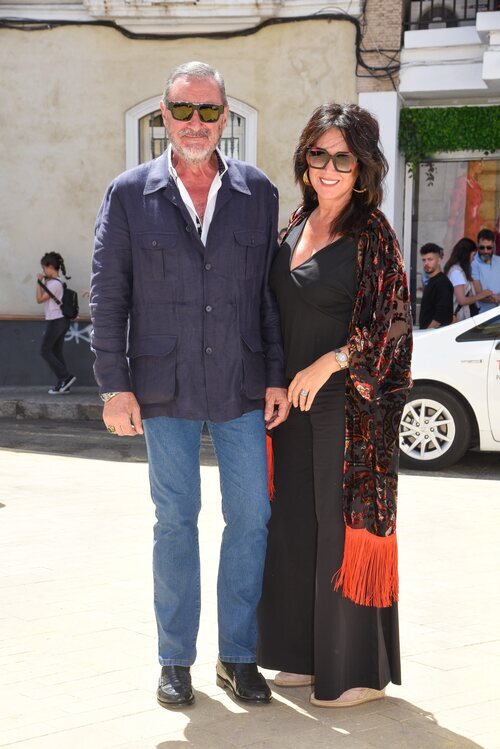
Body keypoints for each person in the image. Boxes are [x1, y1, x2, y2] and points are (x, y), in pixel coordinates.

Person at [90, 61, 288, 710]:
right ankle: (175, 660)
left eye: (208, 110)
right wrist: (114, 385)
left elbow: (267, 295)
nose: (195, 122)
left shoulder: (257, 191)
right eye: (182, 110)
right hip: (162, 385)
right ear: (164, 116)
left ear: (225, 117)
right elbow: (108, 295)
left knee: (251, 516)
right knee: (175, 520)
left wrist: (276, 375)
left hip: (240, 381)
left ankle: (237, 656)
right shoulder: (128, 194)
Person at [257, 103, 413, 708]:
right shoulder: (296, 222)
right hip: (290, 405)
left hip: (349, 410)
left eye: (342, 157)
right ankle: (301, 655)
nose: (328, 167)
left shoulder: (373, 233)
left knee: (339, 530)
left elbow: (394, 325)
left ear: (362, 167)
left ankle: (355, 673)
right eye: (318, 154)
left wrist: (332, 361)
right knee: (295, 526)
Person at [36, 252, 76, 394]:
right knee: (56, 352)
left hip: (56, 321)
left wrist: (39, 282)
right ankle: (64, 384)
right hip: (61, 321)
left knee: (45, 350)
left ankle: (66, 377)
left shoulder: (54, 284)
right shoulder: (56, 282)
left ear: (51, 267)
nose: (43, 271)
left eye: (44, 267)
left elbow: (39, 299)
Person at [443, 237, 492, 322]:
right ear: (466, 254)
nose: (474, 258)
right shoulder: (457, 272)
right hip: (459, 320)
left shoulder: (460, 270)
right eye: (473, 255)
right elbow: (462, 300)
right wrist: (481, 295)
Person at [419, 243, 454, 329]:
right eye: (424, 260)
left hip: (435, 334)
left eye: (430, 259)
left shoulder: (442, 283)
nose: (426, 263)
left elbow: (441, 316)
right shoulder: (432, 281)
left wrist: (426, 333)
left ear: (439, 260)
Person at [471, 229, 500, 313]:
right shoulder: (473, 263)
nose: (485, 251)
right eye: (482, 247)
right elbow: (478, 293)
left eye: (489, 247)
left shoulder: (498, 260)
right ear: (477, 245)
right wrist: (495, 299)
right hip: (483, 315)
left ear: (494, 245)